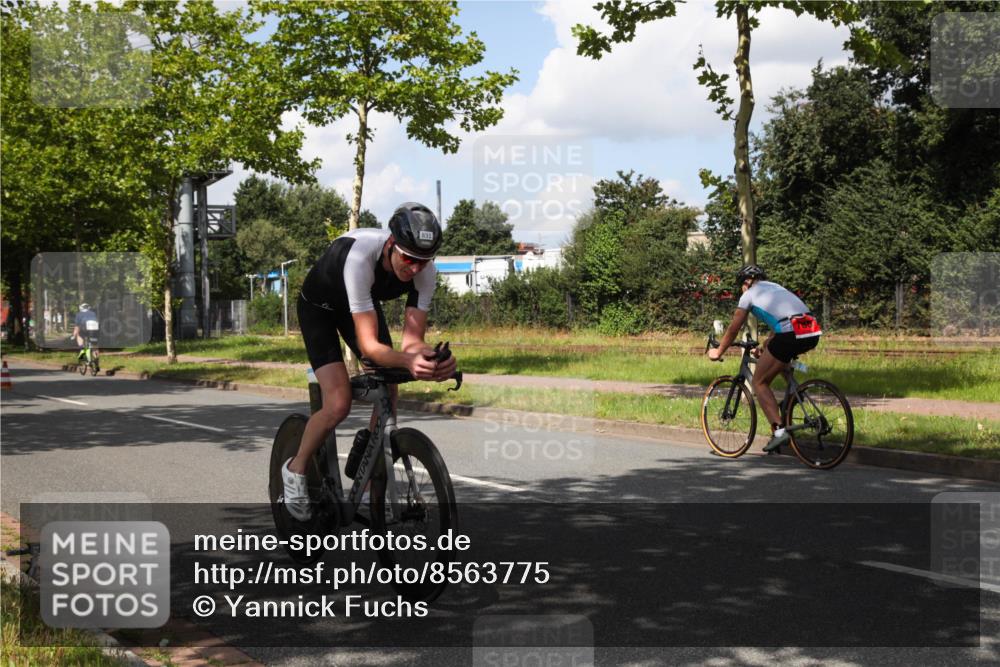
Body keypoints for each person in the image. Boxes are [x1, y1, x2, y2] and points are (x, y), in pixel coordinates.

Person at [282, 202, 457, 521]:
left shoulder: (424, 272)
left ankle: (368, 471)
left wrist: (433, 360)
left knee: (389, 388)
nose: (415, 268)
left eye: (423, 261)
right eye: (408, 258)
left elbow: (412, 342)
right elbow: (369, 346)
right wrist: (408, 361)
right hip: (319, 309)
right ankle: (296, 468)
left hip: (357, 305)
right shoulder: (360, 259)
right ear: (391, 244)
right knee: (338, 403)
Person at [707, 265, 822, 452]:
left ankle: (779, 431)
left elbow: (734, 327)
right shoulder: (776, 287)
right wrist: (766, 346)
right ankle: (794, 394)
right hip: (811, 329)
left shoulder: (749, 294)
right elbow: (783, 319)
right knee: (779, 357)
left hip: (789, 334)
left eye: (741, 285)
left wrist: (719, 351)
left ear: (746, 282)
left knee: (760, 382)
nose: (741, 290)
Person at [73, 303, 100, 370]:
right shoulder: (93, 313)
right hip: (94, 331)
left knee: (79, 337)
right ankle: (96, 363)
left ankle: (82, 355)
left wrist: (74, 335)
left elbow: (77, 327)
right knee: (94, 347)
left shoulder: (79, 314)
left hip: (84, 331)